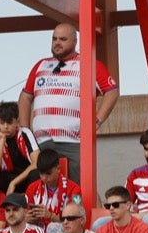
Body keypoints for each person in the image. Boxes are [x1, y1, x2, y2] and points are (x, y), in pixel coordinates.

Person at [16, 22, 118, 176]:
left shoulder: (89, 64)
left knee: (78, 190)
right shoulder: (41, 65)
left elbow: (112, 92)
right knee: (41, 187)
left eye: (63, 39)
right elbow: (25, 97)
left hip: (73, 141)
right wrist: (25, 130)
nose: (57, 42)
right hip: (42, 142)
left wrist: (96, 121)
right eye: (54, 39)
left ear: (75, 41)